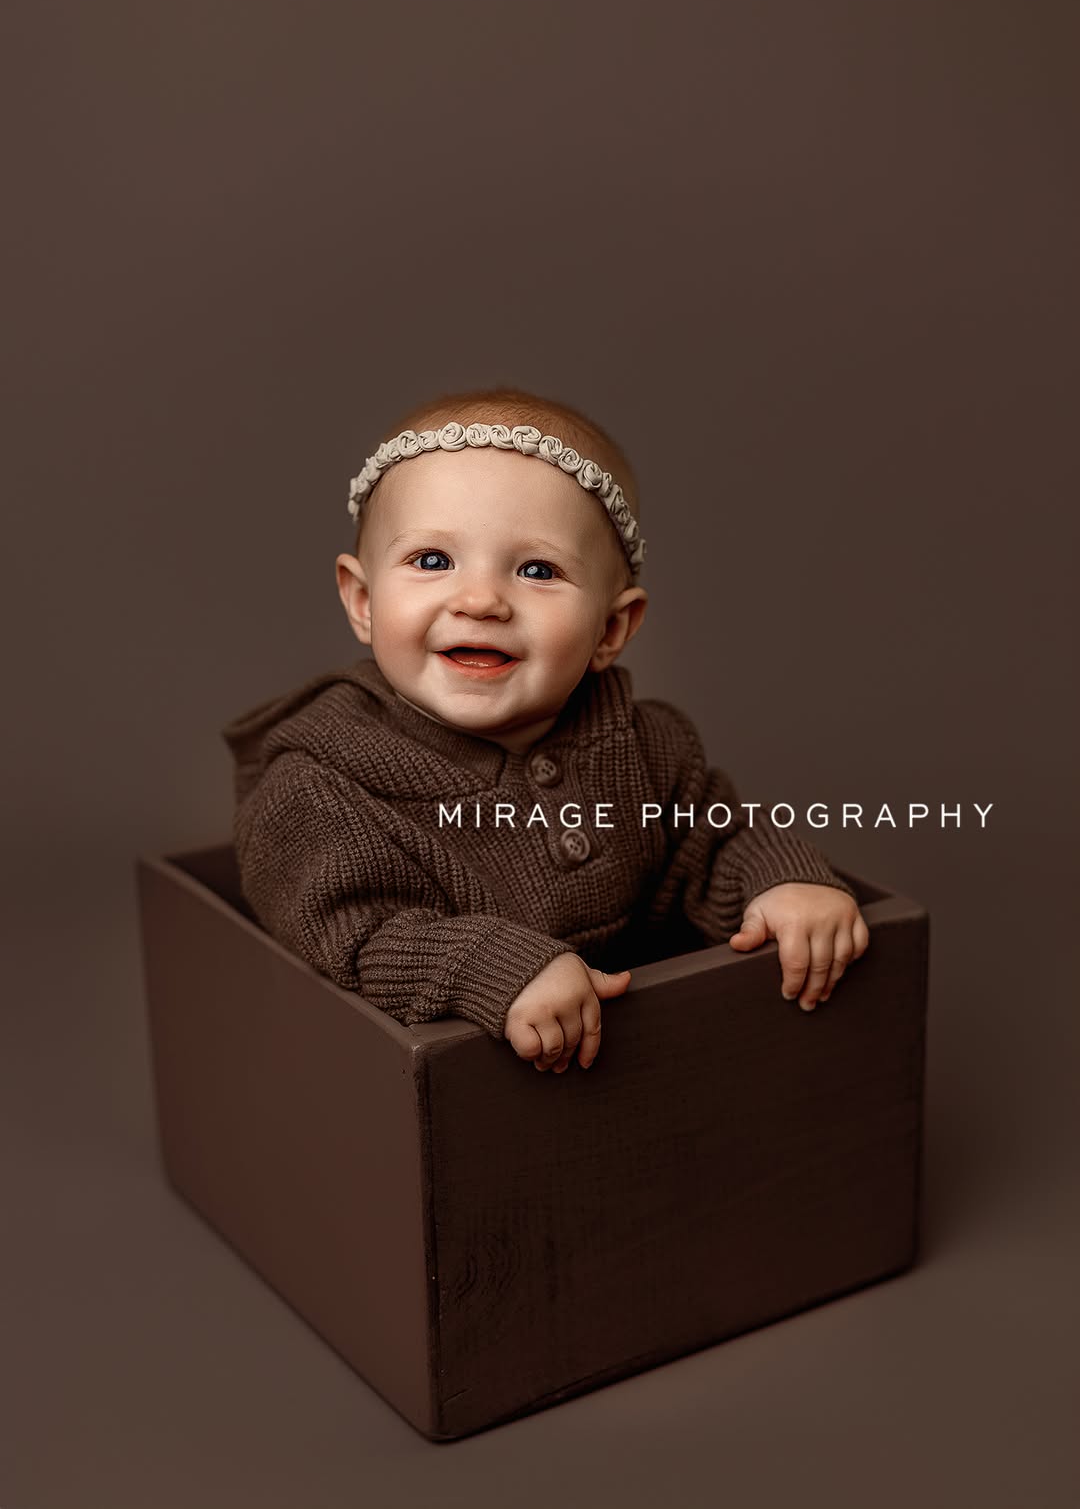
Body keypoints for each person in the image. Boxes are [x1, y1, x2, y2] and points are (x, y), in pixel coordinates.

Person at [222, 385, 869, 1076]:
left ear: (610, 630)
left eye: (538, 570)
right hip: (464, 1093)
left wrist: (780, 881)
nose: (480, 601)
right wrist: (492, 967)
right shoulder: (318, 787)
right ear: (363, 600)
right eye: (433, 560)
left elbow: (710, 844)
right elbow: (360, 936)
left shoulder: (646, 747)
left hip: (669, 1074)